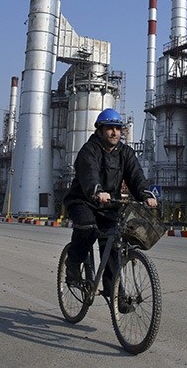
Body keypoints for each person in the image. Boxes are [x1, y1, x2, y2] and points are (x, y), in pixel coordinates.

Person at [63, 108, 158, 292]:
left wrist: (145, 194)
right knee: (88, 228)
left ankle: (113, 291)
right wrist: (97, 190)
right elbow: (89, 172)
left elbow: (136, 175)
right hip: (83, 200)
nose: (114, 132)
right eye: (109, 128)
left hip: (109, 204)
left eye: (117, 128)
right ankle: (73, 264)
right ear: (99, 130)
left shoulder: (125, 153)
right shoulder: (89, 150)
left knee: (114, 243)